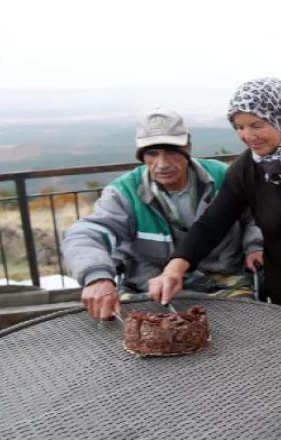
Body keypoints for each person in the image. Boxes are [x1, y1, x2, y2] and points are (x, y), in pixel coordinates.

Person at [147, 78, 281, 328]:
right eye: (239, 127)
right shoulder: (247, 169)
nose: (248, 136)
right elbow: (213, 222)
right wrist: (174, 269)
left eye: (257, 125)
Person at [62, 109, 263, 320]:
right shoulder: (125, 192)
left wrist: (255, 245)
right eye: (152, 154)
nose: (163, 164)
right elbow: (86, 233)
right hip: (147, 289)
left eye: (172, 151)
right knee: (135, 339)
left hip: (223, 283)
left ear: (187, 149)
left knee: (248, 327)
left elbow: (254, 215)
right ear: (142, 156)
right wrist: (97, 277)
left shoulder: (224, 176)